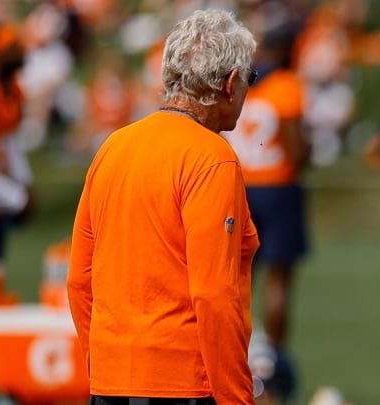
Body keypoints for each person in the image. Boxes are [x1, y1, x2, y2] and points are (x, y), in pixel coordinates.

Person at [67, 9, 260, 404]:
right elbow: (214, 294)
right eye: (249, 80)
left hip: (110, 380)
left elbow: (79, 280)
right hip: (182, 382)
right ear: (230, 83)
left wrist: (104, 366)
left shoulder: (113, 147)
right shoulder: (211, 157)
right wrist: (236, 397)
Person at [221, 18, 309, 403]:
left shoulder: (242, 82)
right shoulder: (286, 84)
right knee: (279, 279)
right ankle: (272, 358)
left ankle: (239, 351)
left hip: (239, 185)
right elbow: (296, 147)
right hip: (278, 184)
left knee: (240, 278)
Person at [0, 21, 34, 305]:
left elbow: (12, 140)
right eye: (11, 48)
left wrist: (21, 178)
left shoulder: (14, 90)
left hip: (1, 159)